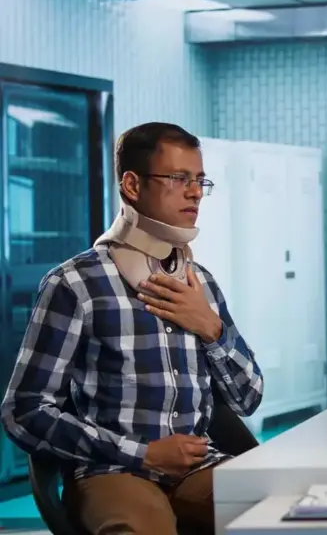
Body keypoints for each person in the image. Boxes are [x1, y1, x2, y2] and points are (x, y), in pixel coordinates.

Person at [1, 122, 264, 535]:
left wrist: (211, 328)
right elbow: (24, 410)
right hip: (112, 470)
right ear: (132, 185)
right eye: (179, 178)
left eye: (200, 180)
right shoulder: (74, 283)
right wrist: (142, 454)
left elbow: (249, 399)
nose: (195, 192)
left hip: (199, 467)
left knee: (288, 513)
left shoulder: (201, 284)